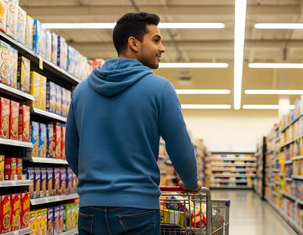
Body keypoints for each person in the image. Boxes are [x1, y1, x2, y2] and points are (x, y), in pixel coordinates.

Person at [65, 12, 201, 235]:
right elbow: (180, 146)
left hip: (90, 210)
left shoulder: (82, 90)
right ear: (134, 43)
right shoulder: (160, 89)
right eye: (156, 40)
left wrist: (98, 184)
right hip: (138, 210)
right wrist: (191, 182)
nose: (162, 47)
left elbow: (71, 152)